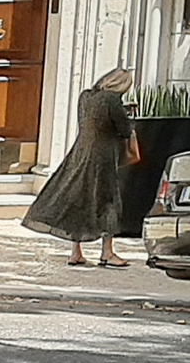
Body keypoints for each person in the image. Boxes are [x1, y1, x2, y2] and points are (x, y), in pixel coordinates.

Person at [22, 67, 140, 267]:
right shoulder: (112, 100)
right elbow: (124, 129)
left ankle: (76, 252)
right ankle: (107, 252)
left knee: (80, 198)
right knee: (108, 200)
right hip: (103, 156)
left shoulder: (85, 97)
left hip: (81, 151)